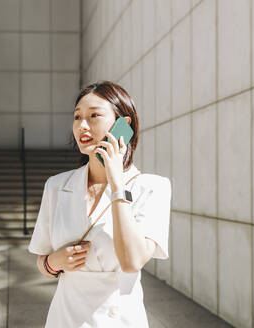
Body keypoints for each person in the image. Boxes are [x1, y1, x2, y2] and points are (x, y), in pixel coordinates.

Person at [28, 81, 171, 327]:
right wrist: (55, 263)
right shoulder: (56, 185)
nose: (82, 125)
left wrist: (117, 184)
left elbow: (132, 261)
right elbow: (42, 258)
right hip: (65, 319)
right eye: (77, 117)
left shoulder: (152, 187)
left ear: (122, 126)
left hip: (120, 320)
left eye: (94, 115)